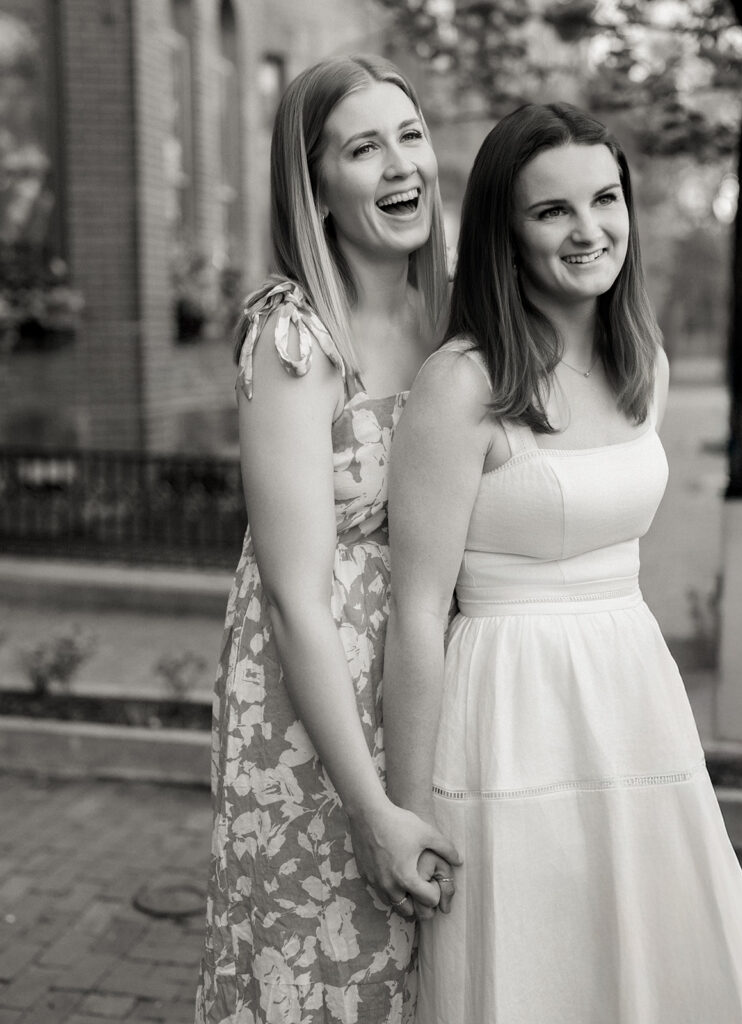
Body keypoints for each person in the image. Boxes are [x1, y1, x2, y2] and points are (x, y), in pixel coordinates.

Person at [384, 102, 742, 1023]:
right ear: (505, 235)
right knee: (534, 965)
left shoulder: (645, 361)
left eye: (605, 199)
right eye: (553, 210)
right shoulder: (462, 384)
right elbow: (416, 611)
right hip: (510, 708)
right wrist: (401, 814)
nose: (590, 230)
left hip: (632, 694)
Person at [195, 55, 461, 1024]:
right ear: (317, 186)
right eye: (363, 148)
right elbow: (293, 595)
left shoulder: (460, 312)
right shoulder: (294, 336)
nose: (401, 166)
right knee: (327, 972)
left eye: (410, 136)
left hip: (441, 676)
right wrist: (367, 804)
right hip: (321, 713)